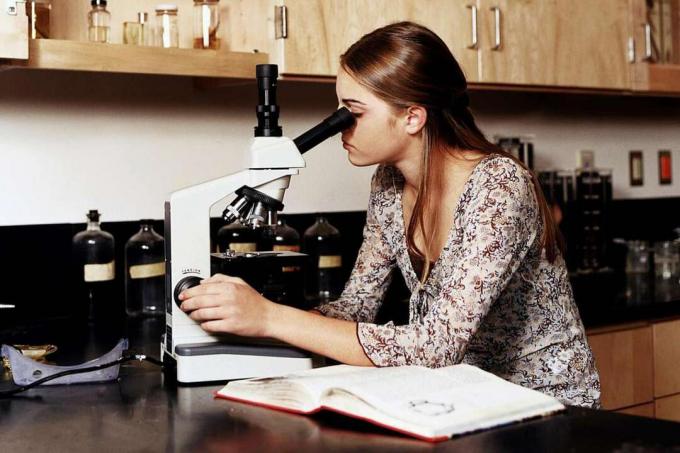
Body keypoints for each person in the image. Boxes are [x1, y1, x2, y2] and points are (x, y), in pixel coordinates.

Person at [179, 21, 601, 408]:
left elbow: (437, 345)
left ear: (413, 117)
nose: (341, 127)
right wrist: (244, 320)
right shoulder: (389, 183)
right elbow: (357, 309)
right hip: (465, 397)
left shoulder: (499, 185)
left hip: (546, 407)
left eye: (353, 113)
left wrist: (270, 317)